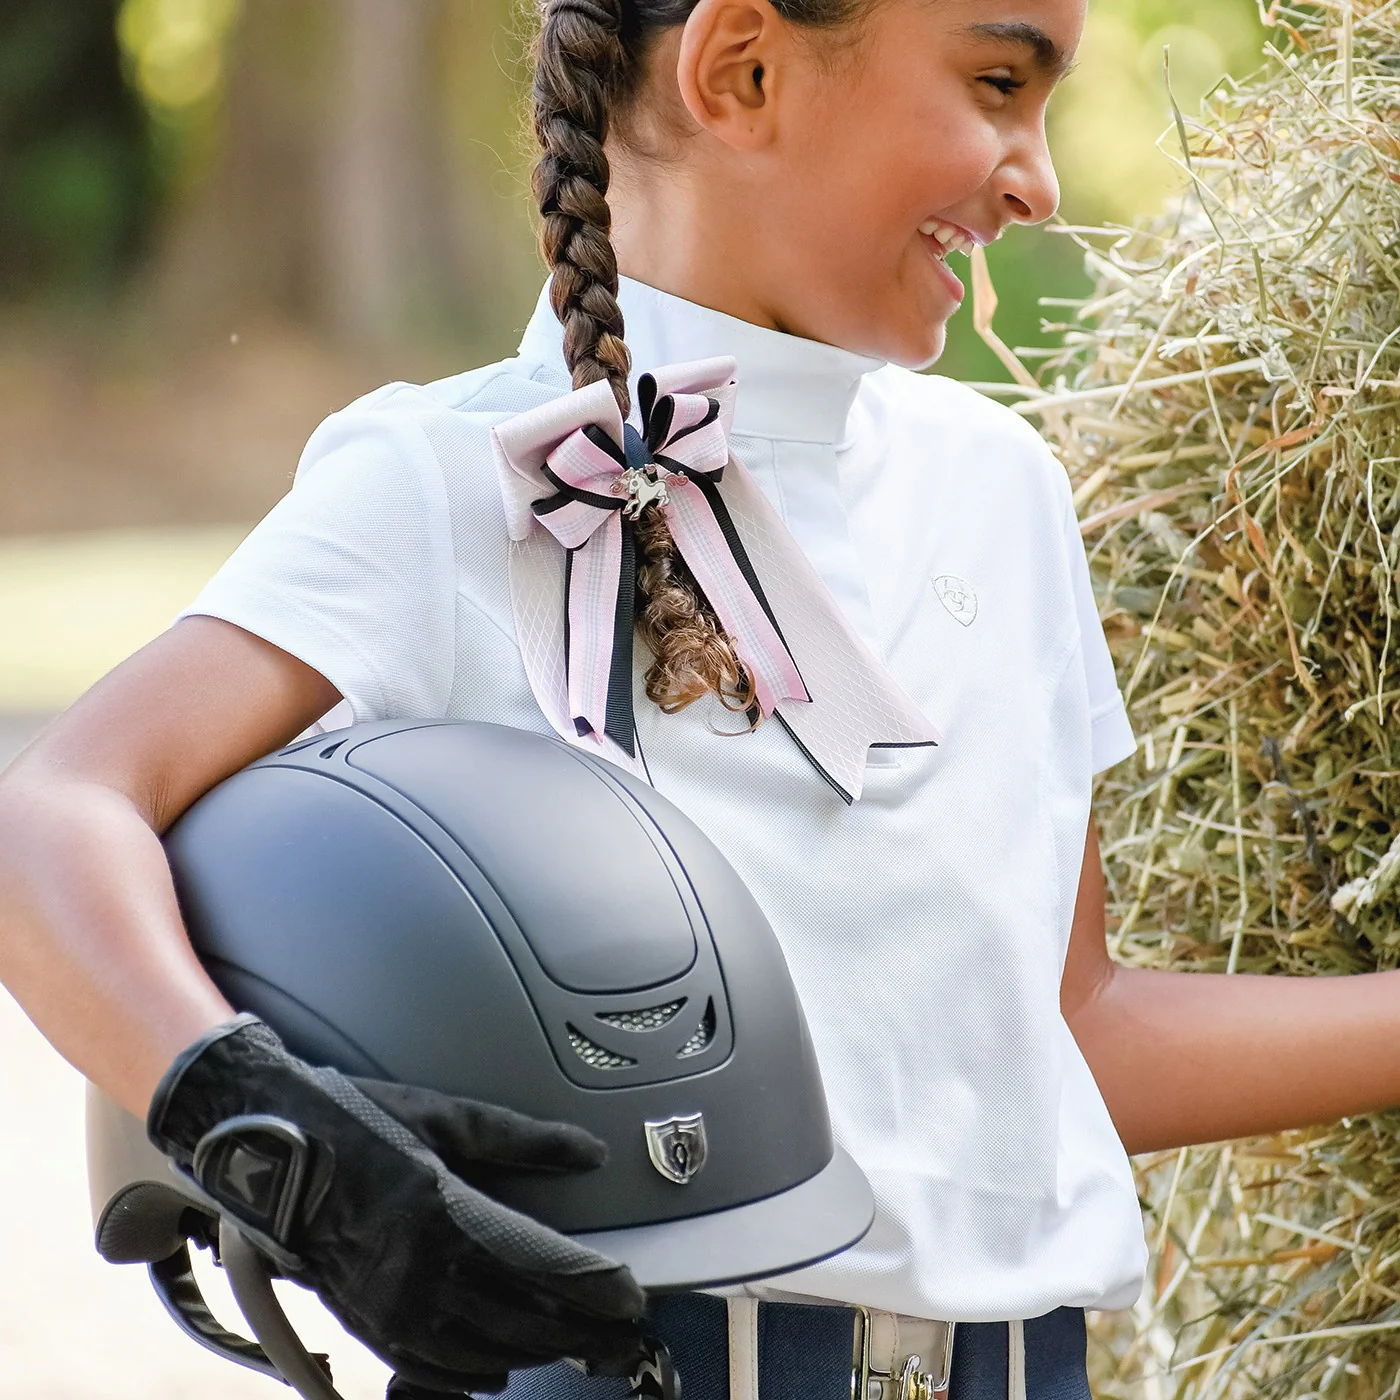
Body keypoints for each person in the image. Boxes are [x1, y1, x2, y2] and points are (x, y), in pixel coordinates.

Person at [6, 0, 1400, 1395]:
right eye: (996, 83)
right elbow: (57, 814)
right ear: (742, 68)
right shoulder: (456, 478)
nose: (1039, 176)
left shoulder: (1005, 492)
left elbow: (1063, 1028)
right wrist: (273, 1139)